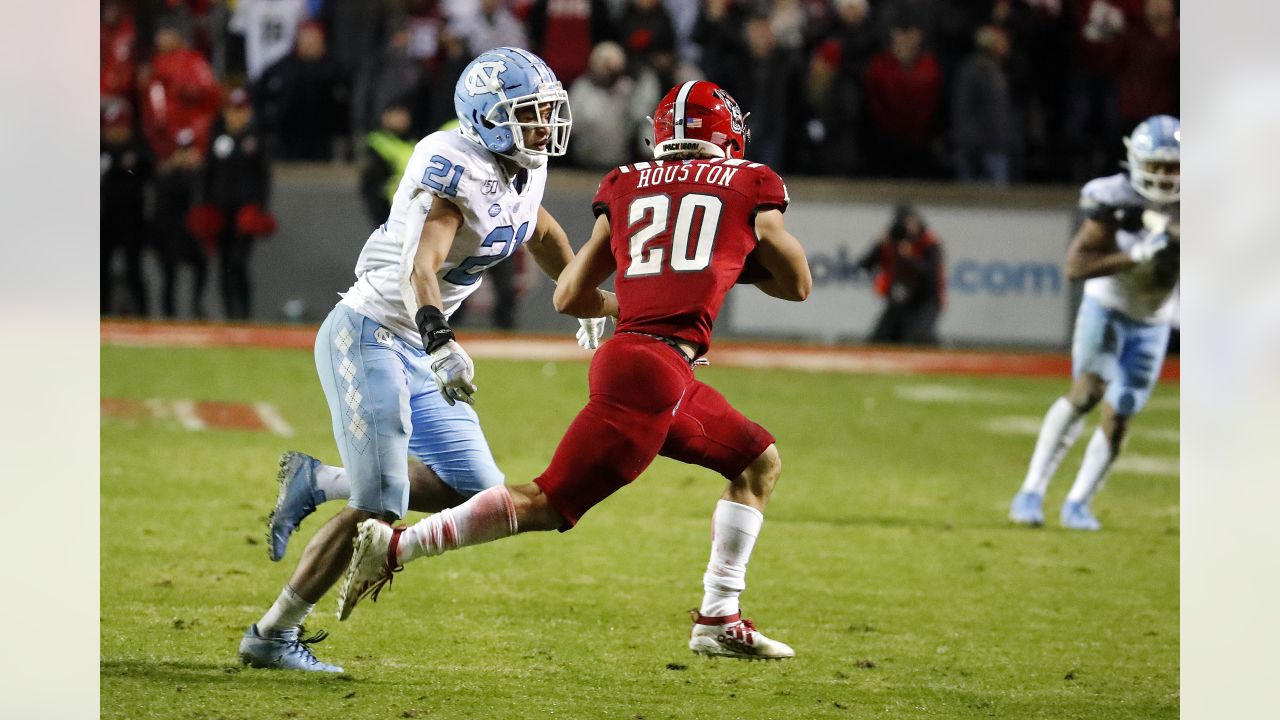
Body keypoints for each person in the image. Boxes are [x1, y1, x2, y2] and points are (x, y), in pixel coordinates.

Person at [336, 80, 812, 662]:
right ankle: (395, 548)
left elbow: (567, 296)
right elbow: (797, 285)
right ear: (729, 135)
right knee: (546, 503)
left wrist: (633, 292)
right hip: (654, 368)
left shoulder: (627, 183)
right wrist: (728, 256)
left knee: (757, 460)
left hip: (642, 361)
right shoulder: (751, 182)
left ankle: (718, 616)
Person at [238, 47, 605, 673]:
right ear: (486, 117)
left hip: (416, 341)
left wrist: (582, 294)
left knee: (480, 493)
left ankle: (318, 481)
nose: (544, 127)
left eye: (546, 112)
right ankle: (272, 634)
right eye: (529, 114)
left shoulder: (523, 164)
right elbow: (421, 267)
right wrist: (440, 341)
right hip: (372, 330)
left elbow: (536, 229)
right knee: (381, 500)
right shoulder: (451, 161)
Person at [1009, 115, 1179, 531]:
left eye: (1171, 166)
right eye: (1154, 165)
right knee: (1088, 391)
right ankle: (1031, 490)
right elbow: (1076, 266)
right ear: (1136, 161)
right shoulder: (1111, 198)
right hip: (1108, 305)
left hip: (1154, 319)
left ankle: (1078, 502)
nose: (1162, 175)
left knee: (1121, 413)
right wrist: (1135, 256)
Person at [201, 88, 273, 320]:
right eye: (233, 110)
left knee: (238, 263)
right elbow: (207, 174)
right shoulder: (216, 137)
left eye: (241, 110)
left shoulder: (255, 139)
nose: (237, 115)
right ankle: (229, 316)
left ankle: (243, 315)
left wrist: (258, 208)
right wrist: (205, 207)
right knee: (224, 267)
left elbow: (263, 178)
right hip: (221, 213)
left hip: (244, 214)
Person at [856, 203, 945, 344]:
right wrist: (878, 245)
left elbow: (932, 277)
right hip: (899, 300)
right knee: (879, 338)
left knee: (917, 337)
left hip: (925, 301)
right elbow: (864, 265)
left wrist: (911, 258)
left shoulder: (929, 242)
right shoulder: (892, 242)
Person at [101, 100, 153, 317]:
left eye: (119, 126)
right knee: (100, 268)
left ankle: (143, 314)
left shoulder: (138, 148)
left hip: (131, 219)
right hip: (105, 218)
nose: (115, 132)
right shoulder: (99, 148)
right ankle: (100, 312)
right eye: (111, 127)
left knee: (134, 268)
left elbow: (150, 170)